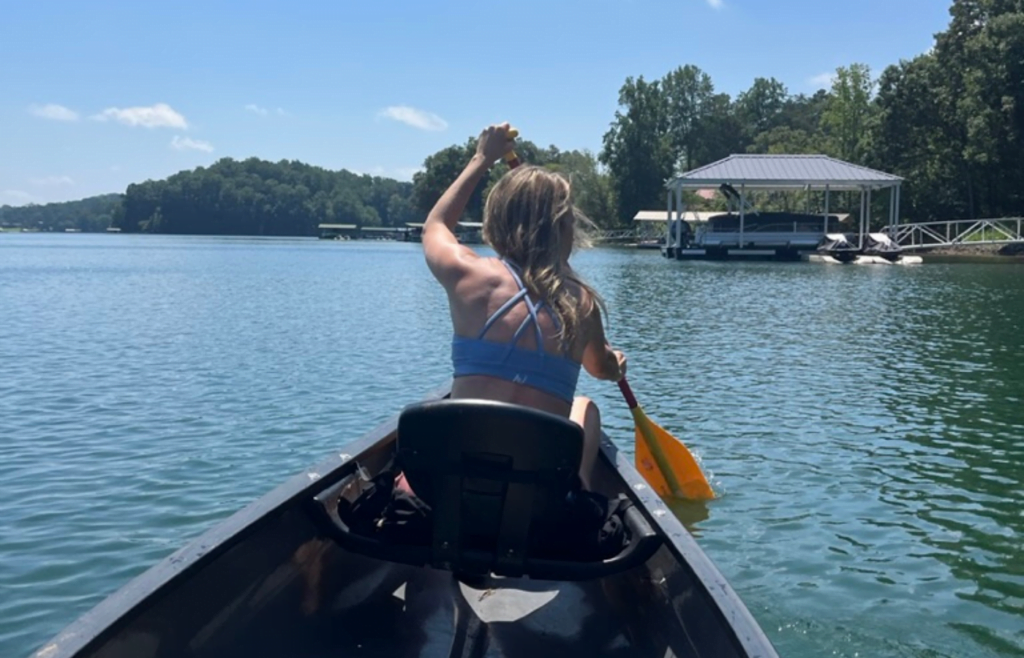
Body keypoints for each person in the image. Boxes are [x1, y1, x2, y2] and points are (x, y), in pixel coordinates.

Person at [420, 122, 627, 488]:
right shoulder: (581, 303)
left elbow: (435, 225)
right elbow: (602, 369)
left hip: (448, 492)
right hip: (540, 507)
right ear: (564, 229)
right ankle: (580, 487)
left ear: (496, 219)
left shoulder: (467, 276)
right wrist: (615, 362)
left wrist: (482, 159)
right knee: (585, 409)